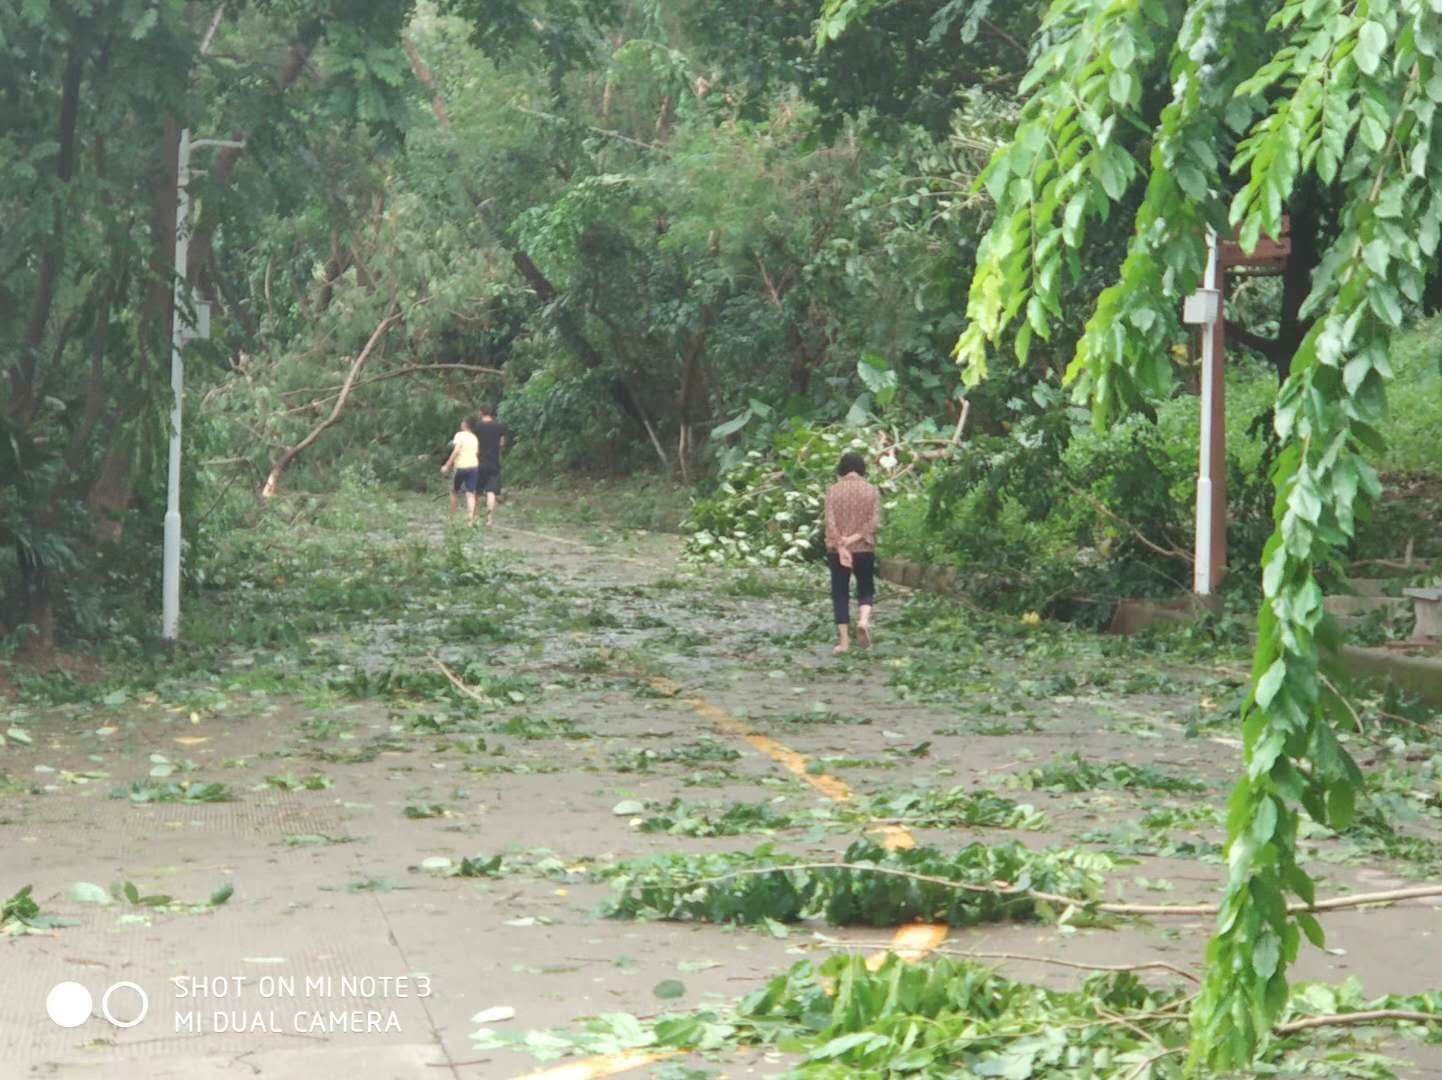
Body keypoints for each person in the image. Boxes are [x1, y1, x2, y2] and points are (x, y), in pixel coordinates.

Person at [824, 451, 880, 654]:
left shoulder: (833, 490)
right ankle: (864, 621)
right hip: (864, 547)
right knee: (866, 588)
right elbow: (874, 522)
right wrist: (855, 538)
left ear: (842, 469)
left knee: (840, 593)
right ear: (862, 469)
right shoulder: (871, 490)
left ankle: (845, 642)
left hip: (837, 550)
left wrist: (841, 545)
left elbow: (830, 522)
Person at [472, 405, 510, 527]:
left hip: (479, 462)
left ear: (481, 412)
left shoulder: (477, 427)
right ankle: (489, 520)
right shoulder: (499, 426)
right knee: (491, 492)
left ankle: (476, 518)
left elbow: (473, 443)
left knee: (476, 492)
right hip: (494, 462)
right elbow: (502, 443)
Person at [440, 416, 481, 525]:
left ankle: (453, 518)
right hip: (474, 466)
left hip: (461, 466)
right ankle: (470, 521)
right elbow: (476, 453)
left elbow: (456, 450)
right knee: (470, 493)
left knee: (454, 491)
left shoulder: (459, 435)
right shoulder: (474, 438)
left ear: (465, 424)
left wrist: (447, 465)